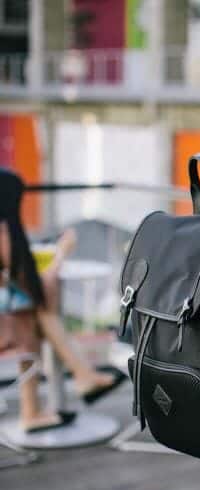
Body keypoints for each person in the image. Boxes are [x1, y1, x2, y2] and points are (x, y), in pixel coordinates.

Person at [0, 169, 125, 433]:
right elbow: (41, 289)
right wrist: (62, 253)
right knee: (41, 311)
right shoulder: (3, 234)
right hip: (6, 328)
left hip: (10, 318)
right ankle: (82, 376)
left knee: (38, 313)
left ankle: (38, 407)